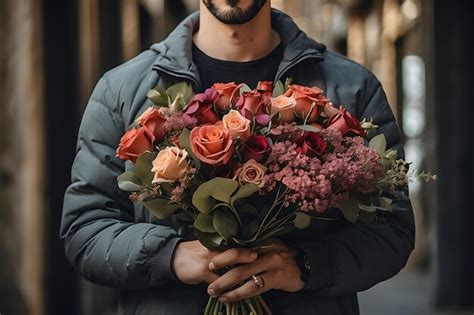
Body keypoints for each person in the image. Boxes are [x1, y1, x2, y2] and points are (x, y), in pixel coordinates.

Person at [60, 1, 415, 314]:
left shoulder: (352, 89)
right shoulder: (121, 90)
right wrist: (170, 255)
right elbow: (85, 229)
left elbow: (391, 231)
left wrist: (304, 265)